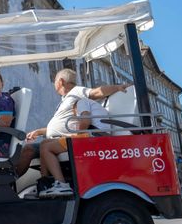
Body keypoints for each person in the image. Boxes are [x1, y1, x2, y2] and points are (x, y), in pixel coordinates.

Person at [21, 69, 129, 197]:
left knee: (45, 146)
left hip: (82, 138)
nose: (53, 84)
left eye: (54, 81)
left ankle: (60, 184)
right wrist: (39, 131)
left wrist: (117, 87)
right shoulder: (66, 100)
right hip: (67, 136)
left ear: (60, 81)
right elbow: (64, 124)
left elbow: (96, 93)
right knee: (44, 144)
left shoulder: (77, 93)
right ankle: (46, 184)